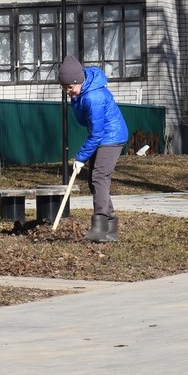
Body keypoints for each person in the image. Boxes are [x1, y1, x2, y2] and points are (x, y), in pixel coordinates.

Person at [60, 55, 129, 242]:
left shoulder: (93, 96)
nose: (68, 91)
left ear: (78, 81)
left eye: (70, 87)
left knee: (99, 176)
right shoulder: (82, 92)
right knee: (94, 180)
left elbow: (96, 133)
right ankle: (111, 226)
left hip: (112, 137)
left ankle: (99, 226)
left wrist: (80, 157)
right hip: (101, 135)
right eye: (65, 88)